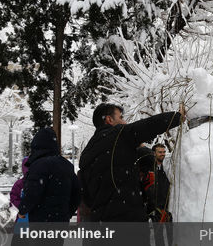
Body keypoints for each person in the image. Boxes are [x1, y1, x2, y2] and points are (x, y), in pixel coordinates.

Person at [79, 103, 184, 245]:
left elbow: (86, 195)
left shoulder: (86, 154)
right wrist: (176, 117)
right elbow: (148, 126)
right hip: (128, 223)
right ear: (109, 120)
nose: (124, 122)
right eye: (121, 117)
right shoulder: (118, 134)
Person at [18, 128, 81, 245]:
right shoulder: (67, 165)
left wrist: (23, 210)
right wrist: (67, 213)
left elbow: (32, 192)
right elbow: (77, 193)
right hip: (61, 221)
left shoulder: (38, 165)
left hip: (41, 221)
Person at [151, 143, 173, 246]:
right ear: (154, 153)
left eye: (164, 152)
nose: (163, 154)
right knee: (158, 235)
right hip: (156, 208)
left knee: (171, 234)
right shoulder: (150, 169)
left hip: (168, 206)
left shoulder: (167, 166)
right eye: (160, 152)